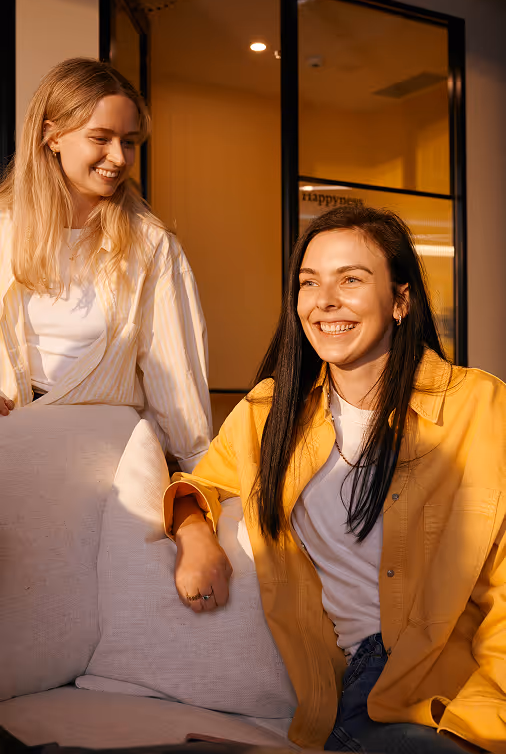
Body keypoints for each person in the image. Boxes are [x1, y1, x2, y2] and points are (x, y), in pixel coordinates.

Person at [163, 204, 506, 754]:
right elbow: (199, 484)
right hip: (362, 682)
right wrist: (196, 536)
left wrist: (481, 727)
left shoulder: (478, 406)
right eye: (309, 283)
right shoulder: (268, 414)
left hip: (457, 681)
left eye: (351, 279)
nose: (324, 302)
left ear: (400, 300)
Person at [0, 57, 211, 471]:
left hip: (108, 465)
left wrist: (199, 482)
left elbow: (178, 383)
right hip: (13, 457)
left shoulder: (152, 246)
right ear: (52, 135)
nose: (118, 157)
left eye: (129, 141)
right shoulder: (3, 229)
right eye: (101, 137)